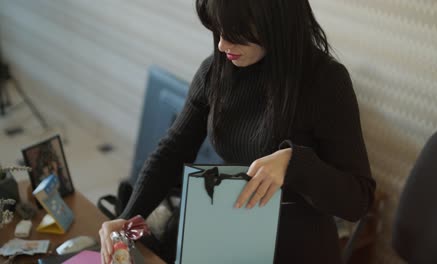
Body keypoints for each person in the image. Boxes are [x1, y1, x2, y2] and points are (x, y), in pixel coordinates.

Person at [100, 0, 376, 263]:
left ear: (275, 22)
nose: (222, 45)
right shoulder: (216, 71)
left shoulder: (326, 81)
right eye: (218, 30)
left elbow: (358, 200)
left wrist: (294, 162)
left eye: (235, 34)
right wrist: (126, 218)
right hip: (231, 235)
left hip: (299, 248)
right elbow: (171, 152)